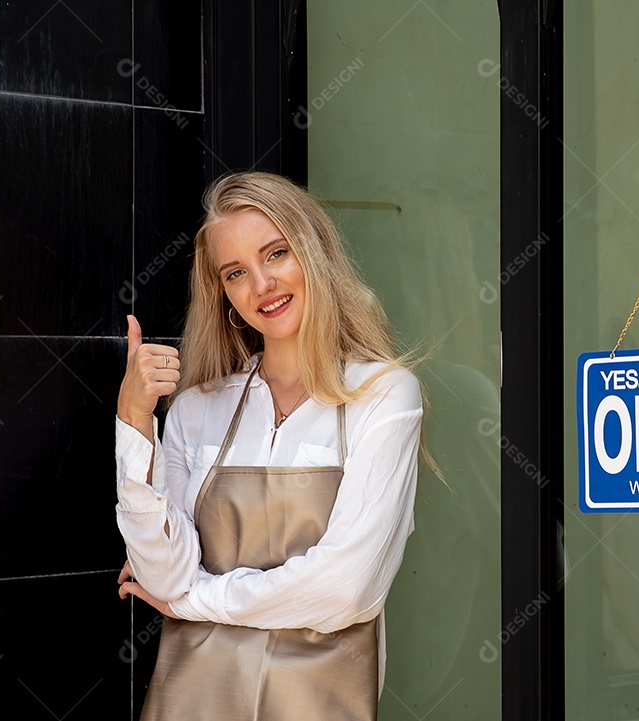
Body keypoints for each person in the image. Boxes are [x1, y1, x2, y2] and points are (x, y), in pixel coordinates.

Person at [113, 171, 423, 720]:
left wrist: (194, 600)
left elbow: (346, 590)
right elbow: (161, 573)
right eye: (236, 273)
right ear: (224, 294)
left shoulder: (384, 396)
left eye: (276, 253)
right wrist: (135, 419)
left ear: (314, 252)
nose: (262, 286)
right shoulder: (196, 408)